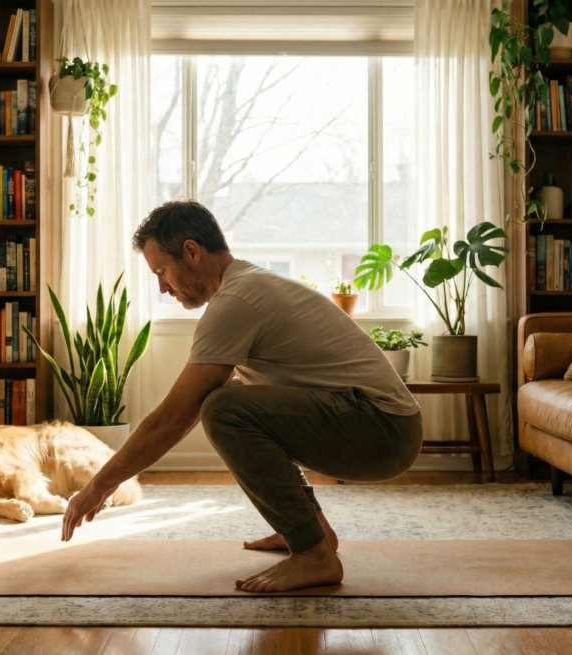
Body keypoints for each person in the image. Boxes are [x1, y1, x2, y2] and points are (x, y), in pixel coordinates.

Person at [60, 200, 423, 593]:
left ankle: (315, 554)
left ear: (192, 252)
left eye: (162, 271)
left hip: (383, 432)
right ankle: (310, 532)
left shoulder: (236, 302)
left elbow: (174, 418)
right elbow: (187, 415)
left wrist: (98, 485)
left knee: (223, 408)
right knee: (230, 397)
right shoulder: (245, 287)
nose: (162, 286)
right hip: (383, 425)